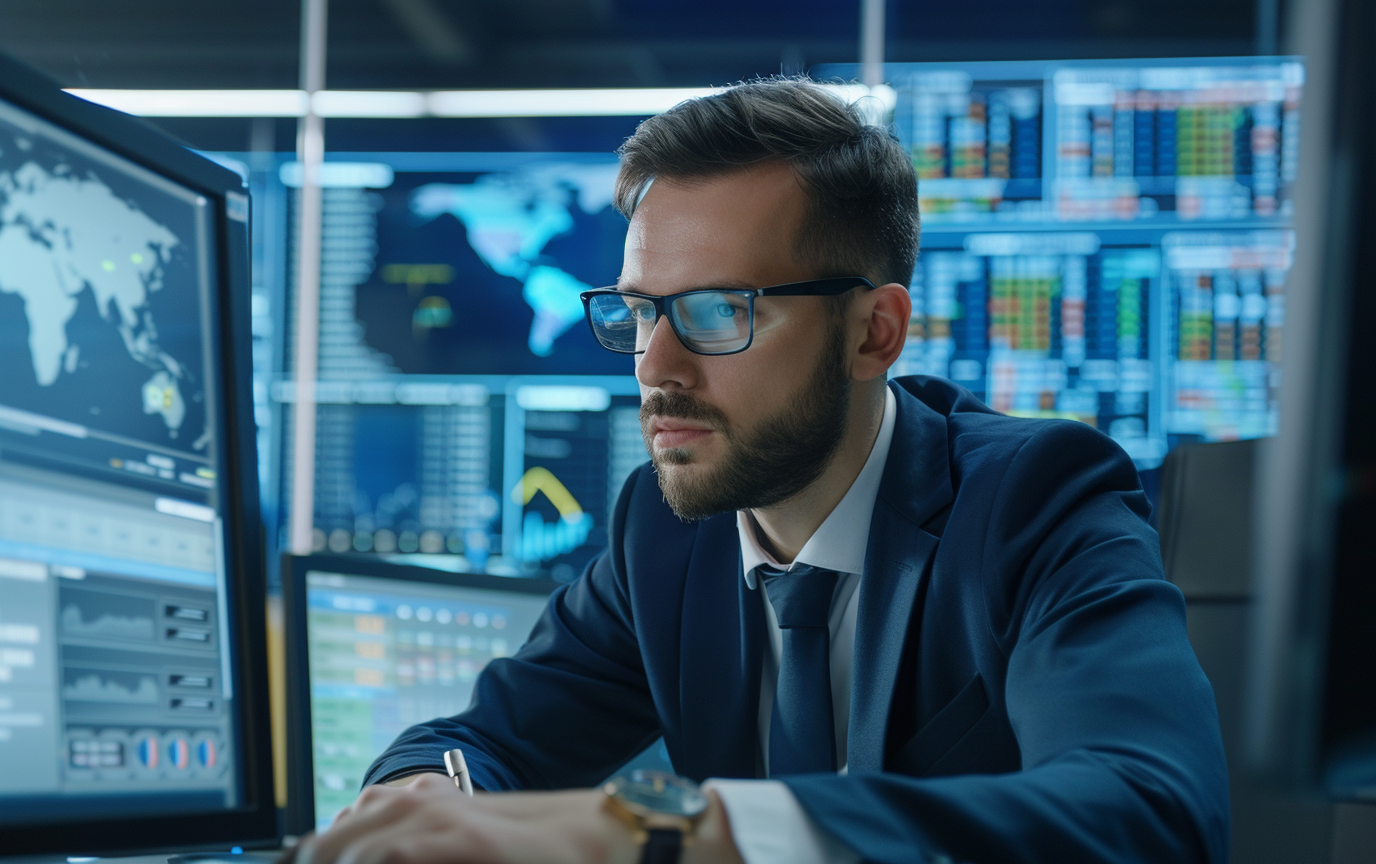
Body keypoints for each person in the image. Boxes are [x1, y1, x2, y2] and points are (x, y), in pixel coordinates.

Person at [293, 78, 1229, 864]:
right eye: (638, 313)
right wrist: (422, 803)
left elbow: (1153, 813)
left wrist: (675, 832)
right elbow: (480, 740)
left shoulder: (1036, 499)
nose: (655, 367)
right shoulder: (664, 528)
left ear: (875, 332)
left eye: (715, 311)